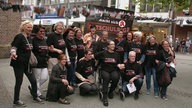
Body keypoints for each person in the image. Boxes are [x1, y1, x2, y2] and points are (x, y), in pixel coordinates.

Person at [10, 20, 43, 107]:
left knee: (33, 80)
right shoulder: (19, 36)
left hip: (27, 64)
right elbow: (14, 47)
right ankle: (16, 100)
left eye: (31, 27)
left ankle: (35, 96)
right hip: (18, 63)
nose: (30, 29)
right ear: (23, 27)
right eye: (28, 27)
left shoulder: (29, 38)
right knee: (19, 82)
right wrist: (13, 53)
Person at [95, 40, 124, 106]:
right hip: (104, 70)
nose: (113, 45)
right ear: (108, 46)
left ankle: (110, 91)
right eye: (111, 44)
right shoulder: (103, 53)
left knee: (116, 77)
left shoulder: (116, 54)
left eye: (114, 44)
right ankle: (105, 97)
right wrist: (84, 58)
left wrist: (119, 65)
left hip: (113, 70)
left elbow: (119, 63)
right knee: (106, 77)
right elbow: (94, 56)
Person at [31, 25, 49, 100]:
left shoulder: (44, 40)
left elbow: (46, 49)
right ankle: (38, 93)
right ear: (36, 32)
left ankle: (33, 87)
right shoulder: (33, 40)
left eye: (43, 31)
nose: (42, 33)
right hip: (36, 63)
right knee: (37, 79)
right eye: (40, 31)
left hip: (44, 62)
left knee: (45, 77)